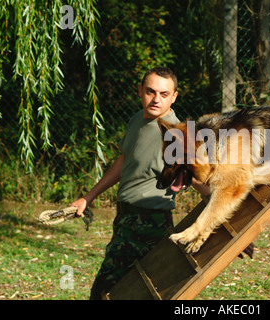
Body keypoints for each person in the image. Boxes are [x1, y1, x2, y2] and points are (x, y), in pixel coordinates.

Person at [71, 67, 210, 299]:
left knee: (106, 292)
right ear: (140, 92)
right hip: (125, 219)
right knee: (129, 293)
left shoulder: (176, 135)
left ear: (174, 97)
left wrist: (227, 215)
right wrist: (89, 197)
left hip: (150, 224)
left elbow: (198, 178)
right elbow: (125, 159)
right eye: (150, 92)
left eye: (164, 94)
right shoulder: (137, 119)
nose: (156, 99)